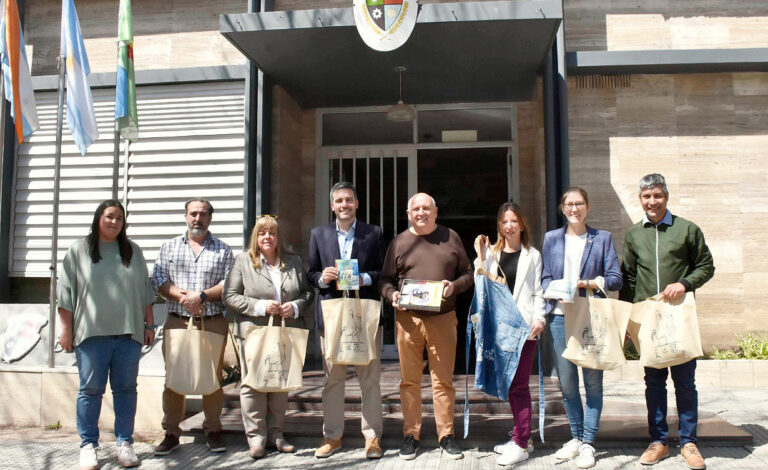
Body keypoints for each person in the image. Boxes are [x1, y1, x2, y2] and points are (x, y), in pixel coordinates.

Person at [620, 174, 714, 470]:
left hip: (679, 317)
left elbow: (706, 266)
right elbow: (629, 279)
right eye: (647, 197)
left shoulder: (687, 229)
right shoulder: (634, 234)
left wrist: (685, 283)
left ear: (667, 197)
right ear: (640, 200)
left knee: (685, 383)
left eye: (657, 196)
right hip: (649, 321)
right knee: (654, 383)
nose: (652, 201)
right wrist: (628, 318)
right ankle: (658, 441)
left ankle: (689, 443)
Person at [57, 200, 156, 470]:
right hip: (91, 336)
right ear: (98, 217)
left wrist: (149, 326)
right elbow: (65, 295)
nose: (115, 222)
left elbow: (146, 292)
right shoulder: (78, 250)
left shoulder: (133, 251)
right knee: (90, 391)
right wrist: (65, 330)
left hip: (128, 335)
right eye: (110, 216)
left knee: (126, 390)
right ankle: (88, 445)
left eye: (120, 218)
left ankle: (125, 444)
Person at [379, 192, 473, 460]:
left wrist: (453, 286)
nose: (421, 213)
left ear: (436, 211)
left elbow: (468, 274)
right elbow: (384, 280)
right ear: (408, 214)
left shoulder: (450, 237)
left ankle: (446, 435)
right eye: (416, 209)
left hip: (443, 318)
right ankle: (411, 435)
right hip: (408, 320)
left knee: (443, 380)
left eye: (426, 208)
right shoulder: (399, 242)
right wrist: (391, 295)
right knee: (410, 381)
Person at [541, 187, 622, 469]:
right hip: (560, 317)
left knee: (593, 383)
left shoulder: (602, 239)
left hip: (590, 317)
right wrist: (553, 290)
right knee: (567, 384)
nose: (574, 209)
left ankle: (588, 442)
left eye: (579, 204)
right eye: (568, 204)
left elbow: (615, 279)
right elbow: (545, 278)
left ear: (587, 207)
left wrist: (585, 284)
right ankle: (575, 438)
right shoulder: (552, 239)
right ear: (562, 208)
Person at [223, 215, 314, 459]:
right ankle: (256, 438)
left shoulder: (293, 262)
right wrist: (262, 306)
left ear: (278, 237)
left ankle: (276, 434)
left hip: (284, 331)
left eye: (271, 233)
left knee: (279, 383)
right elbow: (229, 296)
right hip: (254, 331)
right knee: (253, 384)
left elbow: (307, 293)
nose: (267, 237)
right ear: (255, 236)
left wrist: (294, 307)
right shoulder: (243, 261)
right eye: (262, 233)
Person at [307, 182, 386, 459]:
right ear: (332, 206)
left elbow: (383, 272)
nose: (344, 205)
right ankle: (332, 436)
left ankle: (372, 437)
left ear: (356, 203)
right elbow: (310, 273)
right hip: (332, 312)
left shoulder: (373, 233)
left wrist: (365, 278)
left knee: (370, 379)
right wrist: (321, 278)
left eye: (349, 200)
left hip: (363, 312)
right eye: (339, 201)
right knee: (333, 379)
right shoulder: (319, 234)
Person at [152, 198, 234, 456]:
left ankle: (213, 430)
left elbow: (229, 283)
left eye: (202, 214)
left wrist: (203, 296)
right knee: (174, 377)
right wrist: (182, 297)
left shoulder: (223, 250)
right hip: (177, 320)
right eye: (192, 213)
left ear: (211, 217)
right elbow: (159, 280)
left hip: (212, 322)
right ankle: (172, 432)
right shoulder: (169, 247)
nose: (197, 218)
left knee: (212, 377)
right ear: (186, 216)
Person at [473, 202, 546, 467]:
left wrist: (540, 318)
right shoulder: (493, 253)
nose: (509, 226)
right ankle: (519, 434)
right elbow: (480, 280)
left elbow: (538, 290)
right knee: (507, 384)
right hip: (499, 328)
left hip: (524, 327)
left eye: (513, 221)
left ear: (522, 223)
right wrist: (481, 253)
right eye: (504, 222)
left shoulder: (533, 255)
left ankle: (522, 442)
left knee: (519, 385)